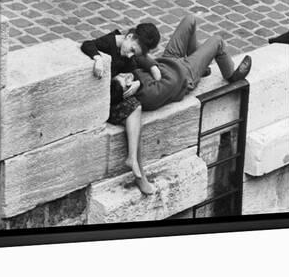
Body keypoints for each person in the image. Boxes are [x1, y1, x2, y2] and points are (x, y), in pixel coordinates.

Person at [111, 15, 252, 112]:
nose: (125, 75)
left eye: (121, 76)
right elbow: (173, 82)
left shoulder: (130, 78)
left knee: (189, 20)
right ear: (128, 91)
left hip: (168, 60)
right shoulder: (148, 95)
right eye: (125, 80)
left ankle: (201, 65)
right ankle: (231, 75)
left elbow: (139, 58)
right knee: (218, 41)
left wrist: (153, 67)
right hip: (186, 73)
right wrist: (141, 83)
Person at [81, 23, 161, 195]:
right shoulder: (109, 43)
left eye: (134, 53)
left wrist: (137, 82)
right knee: (135, 116)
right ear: (129, 37)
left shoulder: (126, 52)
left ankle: (133, 160)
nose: (130, 54)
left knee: (136, 111)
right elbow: (88, 44)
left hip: (115, 98)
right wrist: (97, 59)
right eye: (132, 49)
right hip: (103, 103)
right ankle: (138, 172)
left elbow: (133, 69)